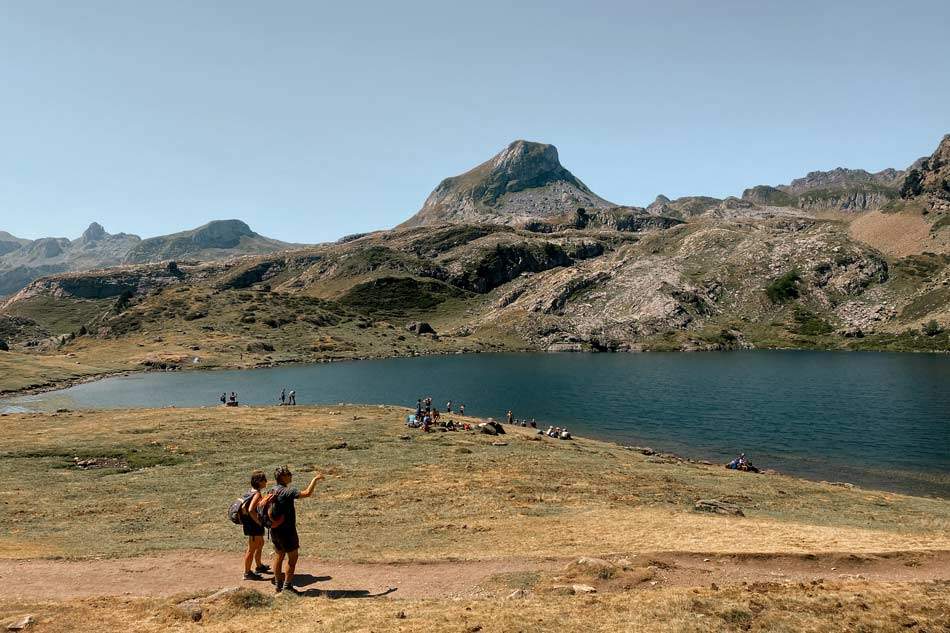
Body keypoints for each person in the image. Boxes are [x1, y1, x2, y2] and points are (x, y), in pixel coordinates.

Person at [269, 466, 325, 594]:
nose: (291, 475)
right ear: (282, 477)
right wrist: (315, 480)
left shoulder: (271, 490)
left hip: (275, 529)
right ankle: (287, 587)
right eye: (289, 474)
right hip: (287, 531)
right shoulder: (287, 491)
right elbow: (307, 493)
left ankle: (278, 585)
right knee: (292, 558)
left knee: (279, 555)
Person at [241, 469, 271, 580]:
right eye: (264, 480)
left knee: (260, 543)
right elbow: (250, 510)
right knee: (251, 549)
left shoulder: (251, 491)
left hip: (251, 525)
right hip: (254, 526)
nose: (266, 481)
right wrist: (259, 522)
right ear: (259, 481)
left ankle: (259, 566)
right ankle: (247, 573)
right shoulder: (257, 493)